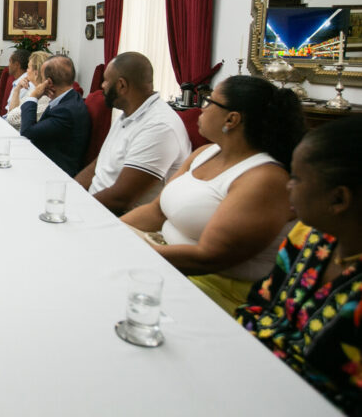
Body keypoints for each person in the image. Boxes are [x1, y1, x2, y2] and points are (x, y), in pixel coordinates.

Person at [121, 76, 305, 314]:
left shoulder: (264, 178)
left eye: (209, 102)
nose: (201, 109)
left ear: (232, 119)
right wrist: (111, 232)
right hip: (164, 256)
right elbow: (156, 211)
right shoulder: (206, 152)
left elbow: (208, 257)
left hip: (213, 288)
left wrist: (129, 252)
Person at [235, 117, 362, 414]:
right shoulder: (308, 235)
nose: (288, 186)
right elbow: (257, 305)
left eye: (297, 178)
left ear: (339, 198)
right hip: (247, 376)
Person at [75, 51, 191, 214]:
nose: (102, 86)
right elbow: (98, 165)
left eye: (106, 81)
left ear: (121, 85)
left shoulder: (159, 126)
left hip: (121, 220)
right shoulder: (127, 113)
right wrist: (70, 191)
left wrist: (75, 208)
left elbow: (121, 199)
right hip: (95, 206)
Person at [19, 55, 90, 177]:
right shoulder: (70, 98)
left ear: (49, 82)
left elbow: (27, 131)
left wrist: (33, 96)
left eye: (41, 78)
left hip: (56, 171)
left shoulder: (66, 111)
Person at [5, 50, 51, 130]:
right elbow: (12, 111)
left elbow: (11, 119)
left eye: (29, 68)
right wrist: (17, 89)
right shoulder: (34, 91)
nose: (27, 71)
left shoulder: (44, 97)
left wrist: (33, 96)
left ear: (36, 73)